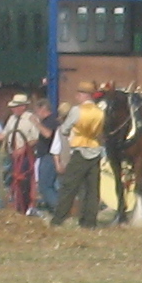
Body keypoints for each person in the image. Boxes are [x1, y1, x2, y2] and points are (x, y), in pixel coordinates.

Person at [53, 85, 108, 229]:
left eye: (79, 93)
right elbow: (101, 132)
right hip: (95, 150)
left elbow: (64, 129)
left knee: (69, 186)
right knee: (92, 189)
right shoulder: (100, 112)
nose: (77, 96)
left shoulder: (77, 110)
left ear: (85, 95)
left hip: (79, 150)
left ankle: (58, 219)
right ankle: (89, 222)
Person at [0, 95, 46, 216]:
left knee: (23, 180)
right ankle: (17, 206)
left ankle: (25, 207)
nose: (13, 109)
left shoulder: (31, 118)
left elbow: (36, 138)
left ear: (23, 107)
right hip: (13, 155)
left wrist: (23, 148)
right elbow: (5, 134)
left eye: (16, 107)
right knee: (13, 180)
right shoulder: (12, 119)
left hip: (26, 156)